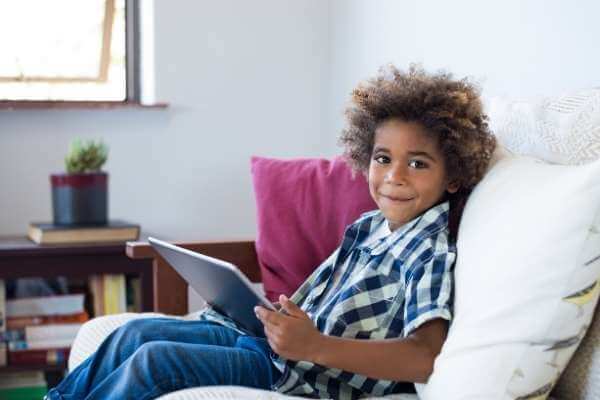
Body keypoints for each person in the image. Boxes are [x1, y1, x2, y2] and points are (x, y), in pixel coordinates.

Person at [45, 65, 496, 400]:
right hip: (274, 345)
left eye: (417, 163)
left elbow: (425, 354)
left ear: (453, 175)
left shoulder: (429, 251)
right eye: (383, 158)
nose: (394, 176)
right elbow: (314, 300)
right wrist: (271, 315)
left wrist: (314, 345)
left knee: (154, 361)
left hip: (304, 373)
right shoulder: (369, 226)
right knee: (133, 335)